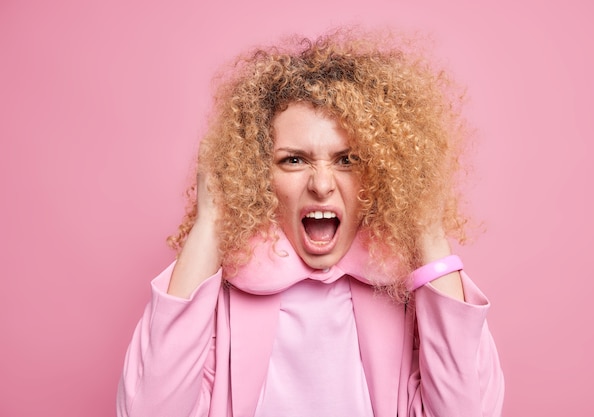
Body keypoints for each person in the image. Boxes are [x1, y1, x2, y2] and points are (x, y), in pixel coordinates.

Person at [117, 27, 504, 417]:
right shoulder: (220, 299)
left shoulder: (408, 296)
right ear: (257, 173)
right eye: (294, 159)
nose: (321, 185)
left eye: (347, 160)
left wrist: (428, 233)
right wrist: (211, 222)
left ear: (384, 171)